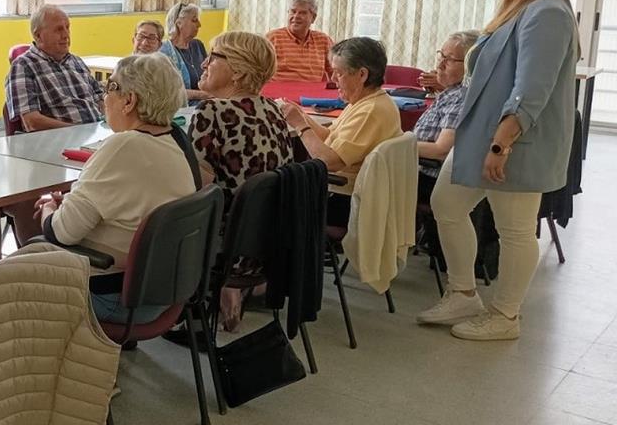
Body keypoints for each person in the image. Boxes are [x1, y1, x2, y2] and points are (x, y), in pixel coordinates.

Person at [417, 0, 578, 341]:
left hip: (513, 140)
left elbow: (531, 89)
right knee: (447, 204)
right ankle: (463, 292)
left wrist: (501, 144)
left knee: (516, 229)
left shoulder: (547, 13)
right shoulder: (519, 9)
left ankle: (505, 316)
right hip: (482, 132)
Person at [37, 54, 195, 323]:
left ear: (129, 101)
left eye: (110, 88)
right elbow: (125, 198)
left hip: (113, 296)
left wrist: (50, 207)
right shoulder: (175, 139)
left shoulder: (122, 146)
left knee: (9, 273)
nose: (103, 97)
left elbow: (61, 232)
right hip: (164, 291)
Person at [188, 31, 295, 330]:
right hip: (264, 244)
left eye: (214, 56)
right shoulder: (273, 109)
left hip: (223, 245)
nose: (204, 62)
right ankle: (232, 287)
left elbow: (196, 188)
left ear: (237, 71)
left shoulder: (212, 112)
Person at [281, 37, 402, 230]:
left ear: (362, 74)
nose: (333, 79)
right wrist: (302, 116)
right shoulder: (366, 101)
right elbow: (329, 136)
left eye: (338, 73)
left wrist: (299, 126)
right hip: (345, 191)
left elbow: (330, 161)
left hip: (344, 198)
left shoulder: (370, 111)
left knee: (269, 199)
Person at [6, 4, 105, 132]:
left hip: (96, 135)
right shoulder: (24, 66)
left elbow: (101, 99)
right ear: (38, 36)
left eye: (67, 28)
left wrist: (108, 125)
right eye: (58, 29)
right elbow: (31, 122)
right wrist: (79, 131)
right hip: (60, 141)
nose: (66, 35)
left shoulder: (76, 62)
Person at [414, 30, 480, 203]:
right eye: (441, 55)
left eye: (449, 59)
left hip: (430, 178)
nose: (440, 65)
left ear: (471, 65)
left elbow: (441, 150)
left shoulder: (461, 97)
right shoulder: (451, 92)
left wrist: (395, 144)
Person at [265, 0, 334, 82]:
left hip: (312, 94)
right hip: (278, 94)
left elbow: (335, 72)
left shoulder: (323, 40)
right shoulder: (272, 38)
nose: (296, 16)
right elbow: (257, 71)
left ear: (313, 18)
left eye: (302, 13)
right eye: (293, 11)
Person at [159, 2, 210, 102]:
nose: (199, 25)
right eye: (194, 20)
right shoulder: (164, 51)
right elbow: (167, 91)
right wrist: (205, 95)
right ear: (179, 23)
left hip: (203, 103)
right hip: (179, 108)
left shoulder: (198, 45)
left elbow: (210, 75)